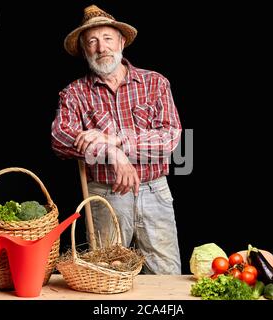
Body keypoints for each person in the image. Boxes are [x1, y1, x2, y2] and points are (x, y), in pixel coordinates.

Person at [51, 4, 182, 274]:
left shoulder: (155, 83)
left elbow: (170, 137)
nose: (102, 48)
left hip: (154, 191)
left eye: (108, 39)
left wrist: (116, 141)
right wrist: (113, 154)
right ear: (84, 50)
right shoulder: (74, 93)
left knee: (166, 274)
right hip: (105, 194)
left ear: (121, 41)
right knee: (108, 274)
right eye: (92, 42)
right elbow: (60, 139)